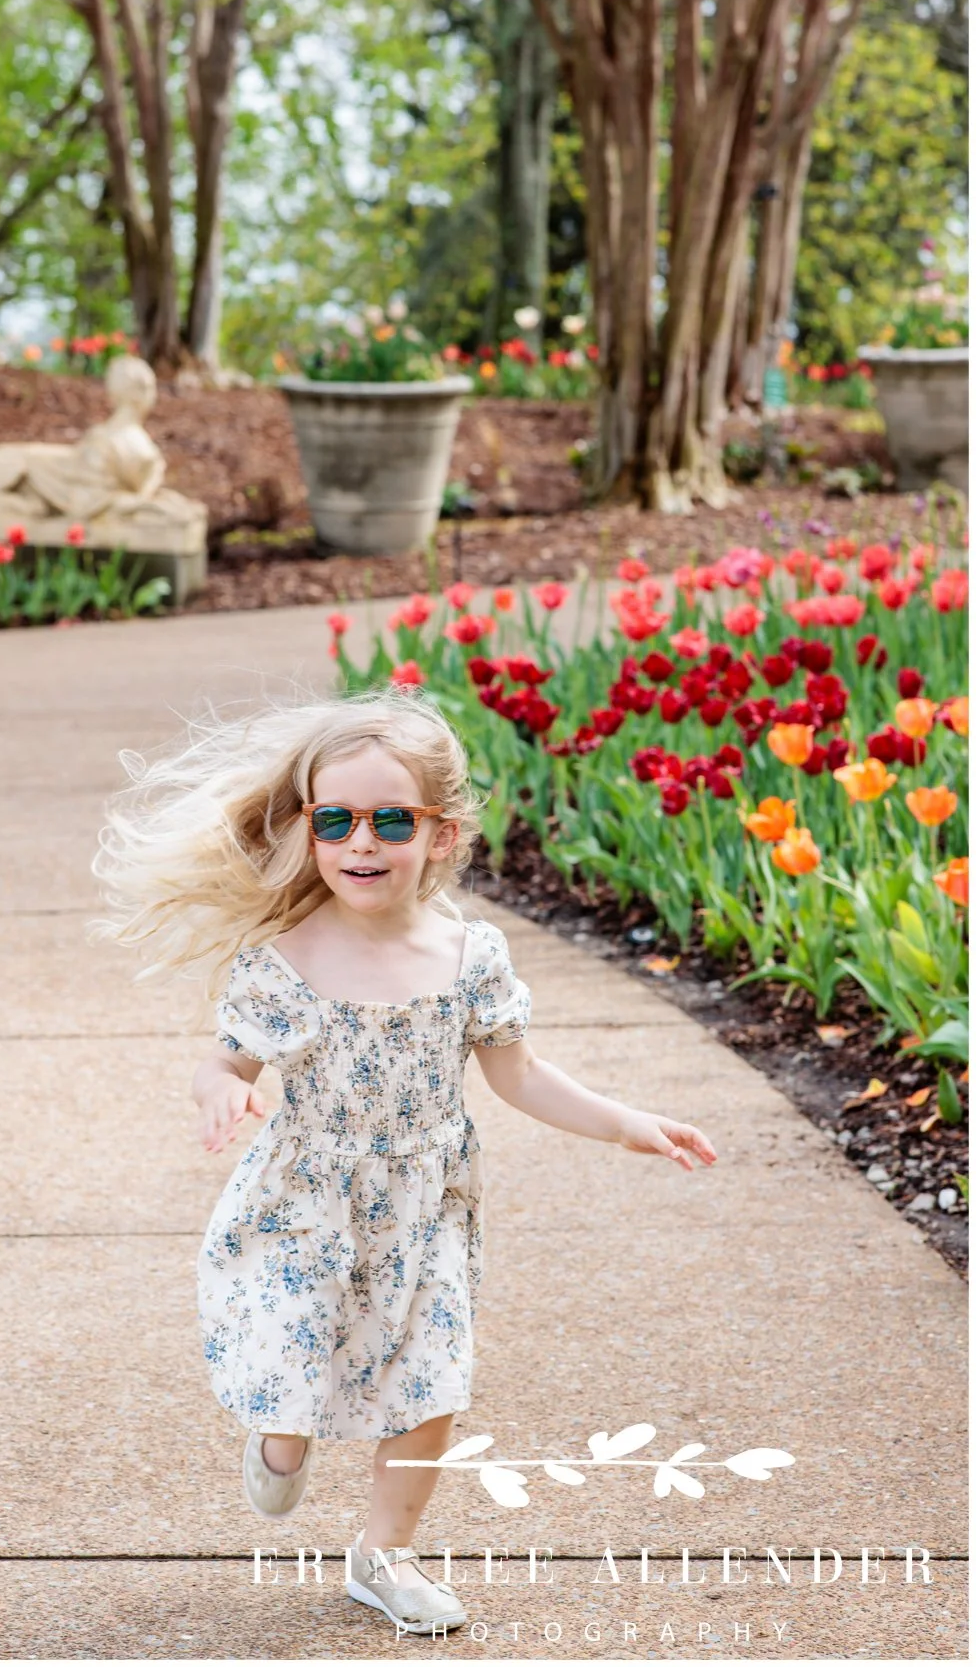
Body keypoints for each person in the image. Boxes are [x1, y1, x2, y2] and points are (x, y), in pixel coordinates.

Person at [92, 691, 718, 1637]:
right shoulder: (284, 958)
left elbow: (521, 1075)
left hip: (424, 1209)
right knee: (294, 1364)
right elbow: (226, 1059)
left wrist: (623, 1122)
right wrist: (220, 1090)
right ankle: (281, 1435)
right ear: (308, 829)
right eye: (334, 820)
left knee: (430, 1390)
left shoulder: (470, 957)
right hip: (304, 1202)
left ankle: (384, 1555)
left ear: (443, 833)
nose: (361, 843)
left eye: (391, 820)